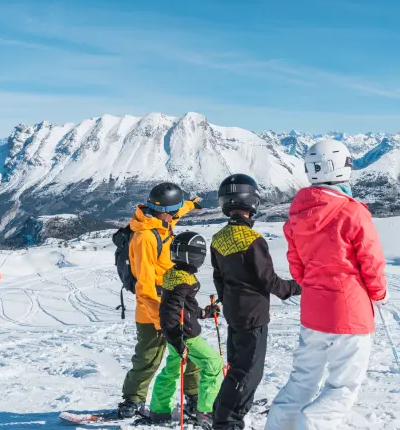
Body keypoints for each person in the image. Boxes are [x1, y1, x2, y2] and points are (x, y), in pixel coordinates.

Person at [265, 140, 389, 430]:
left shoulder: (298, 214)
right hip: (349, 311)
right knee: (343, 385)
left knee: (302, 380)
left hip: (313, 311)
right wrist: (379, 294)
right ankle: (315, 423)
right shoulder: (353, 211)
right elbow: (371, 260)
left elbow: (297, 268)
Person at [211, 174, 302, 430]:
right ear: (251, 202)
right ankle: (228, 421)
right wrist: (298, 286)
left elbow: (219, 278)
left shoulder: (218, 238)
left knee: (237, 367)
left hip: (233, 313)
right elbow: (268, 280)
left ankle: (222, 412)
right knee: (249, 371)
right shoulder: (253, 240)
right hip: (253, 314)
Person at [118, 182, 203, 419]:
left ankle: (194, 397)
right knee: (147, 358)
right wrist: (161, 321)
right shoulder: (145, 237)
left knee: (191, 353)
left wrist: (191, 205)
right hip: (152, 309)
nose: (176, 216)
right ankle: (132, 401)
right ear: (165, 211)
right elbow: (143, 286)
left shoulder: (161, 222)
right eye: (174, 212)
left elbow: (177, 212)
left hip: (175, 303)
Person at [141, 231, 224, 429]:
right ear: (195, 256)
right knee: (213, 364)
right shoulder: (183, 280)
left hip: (176, 334)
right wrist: (178, 339)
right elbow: (170, 312)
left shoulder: (175, 275)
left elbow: (184, 306)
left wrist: (203, 313)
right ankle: (206, 411)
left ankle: (159, 410)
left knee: (171, 371)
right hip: (185, 336)